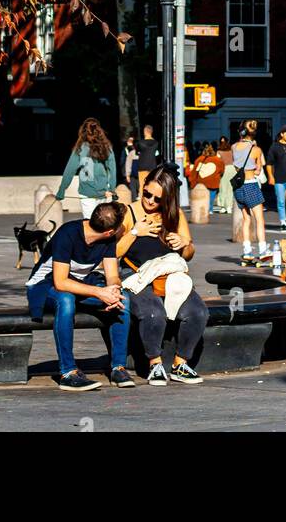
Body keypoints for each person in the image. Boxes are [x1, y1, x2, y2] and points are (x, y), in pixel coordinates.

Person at [26, 200, 132, 391]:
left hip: (80, 284)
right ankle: (68, 372)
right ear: (109, 231)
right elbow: (60, 282)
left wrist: (113, 290)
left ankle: (118, 367)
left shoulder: (108, 240)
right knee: (65, 300)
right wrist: (100, 292)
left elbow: (113, 276)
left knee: (123, 300)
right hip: (44, 286)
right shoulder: (68, 234)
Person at [116, 165, 208, 384]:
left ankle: (180, 364)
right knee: (153, 313)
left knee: (198, 312)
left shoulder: (174, 215)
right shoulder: (129, 213)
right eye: (147, 194)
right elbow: (114, 251)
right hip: (136, 276)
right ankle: (154, 364)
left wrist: (185, 243)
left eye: (157, 199)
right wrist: (136, 232)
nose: (150, 201)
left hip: (169, 275)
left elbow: (188, 254)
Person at [55, 118, 116, 220]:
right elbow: (112, 169)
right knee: (103, 224)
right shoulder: (106, 147)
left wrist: (61, 190)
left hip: (87, 193)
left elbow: (69, 171)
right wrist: (112, 189)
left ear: (83, 131)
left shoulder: (79, 148)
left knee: (89, 224)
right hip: (104, 192)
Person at [231, 120, 271, 266]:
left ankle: (247, 251)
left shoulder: (234, 146)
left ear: (241, 132)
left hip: (238, 187)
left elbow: (236, 166)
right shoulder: (256, 149)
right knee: (259, 220)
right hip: (251, 185)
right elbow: (259, 170)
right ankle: (262, 251)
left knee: (246, 219)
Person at [187, 143, 224, 211]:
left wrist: (192, 180)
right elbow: (222, 170)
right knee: (212, 196)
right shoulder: (218, 160)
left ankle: (203, 209)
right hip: (213, 182)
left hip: (201, 181)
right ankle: (210, 209)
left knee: (202, 196)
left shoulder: (199, 159)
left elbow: (194, 171)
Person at [136, 124, 159, 196]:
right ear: (151, 132)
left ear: (145, 132)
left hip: (142, 166)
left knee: (142, 185)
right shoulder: (156, 143)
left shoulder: (140, 143)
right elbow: (157, 154)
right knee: (151, 184)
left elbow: (137, 152)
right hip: (152, 166)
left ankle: (142, 201)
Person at [214, 137, 235, 215]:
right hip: (232, 169)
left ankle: (223, 207)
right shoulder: (231, 151)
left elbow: (218, 162)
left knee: (222, 188)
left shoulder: (219, 152)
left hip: (223, 169)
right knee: (230, 188)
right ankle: (229, 206)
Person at [122, 134, 140, 200]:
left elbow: (128, 164)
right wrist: (127, 175)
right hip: (133, 175)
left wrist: (127, 175)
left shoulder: (133, 153)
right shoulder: (131, 153)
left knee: (137, 190)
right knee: (134, 191)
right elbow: (128, 164)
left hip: (138, 175)